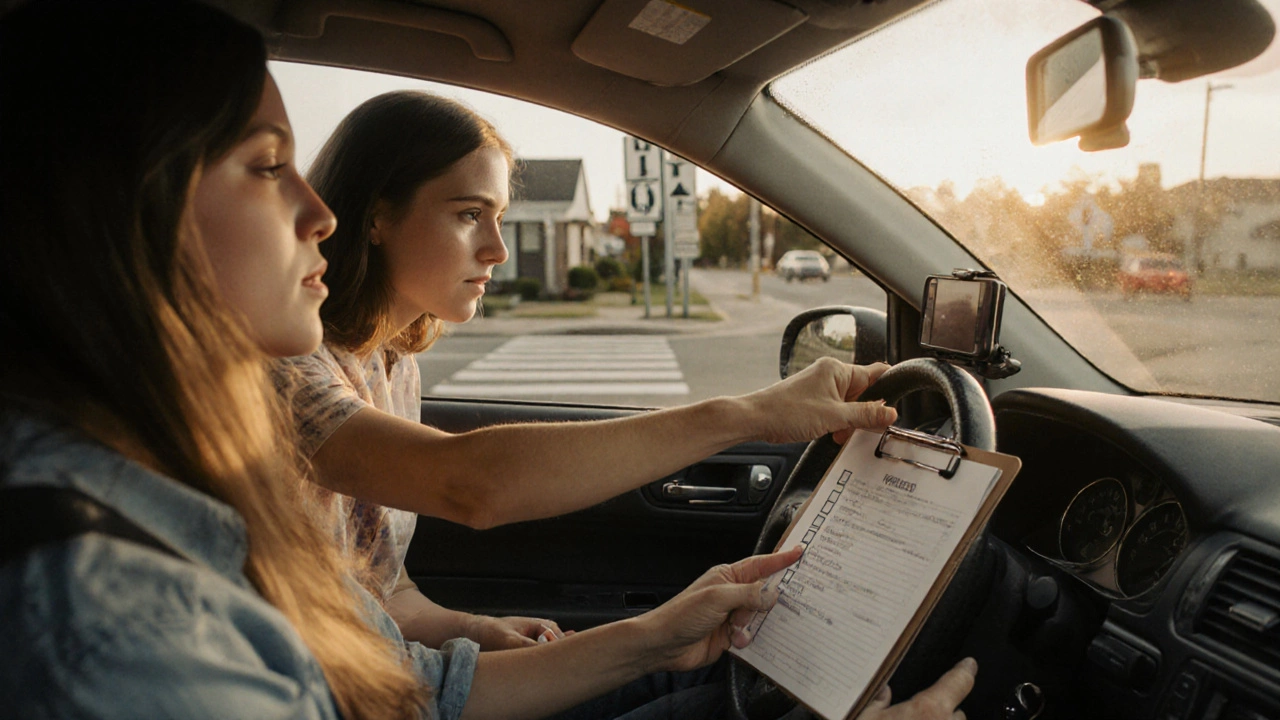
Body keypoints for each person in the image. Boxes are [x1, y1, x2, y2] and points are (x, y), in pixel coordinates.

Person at [0, 2, 979, 719]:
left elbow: (378, 623)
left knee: (719, 680)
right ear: (126, 211)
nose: (316, 215)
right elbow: (466, 485)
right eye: (264, 167)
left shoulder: (197, 490)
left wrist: (632, 628)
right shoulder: (122, 603)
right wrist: (747, 413)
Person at [283, 89, 901, 651]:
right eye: (469, 213)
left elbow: (380, 591)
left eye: (498, 216)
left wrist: (472, 629)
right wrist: (753, 414)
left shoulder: (392, 365)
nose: (497, 248)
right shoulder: (286, 366)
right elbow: (468, 485)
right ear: (375, 216)